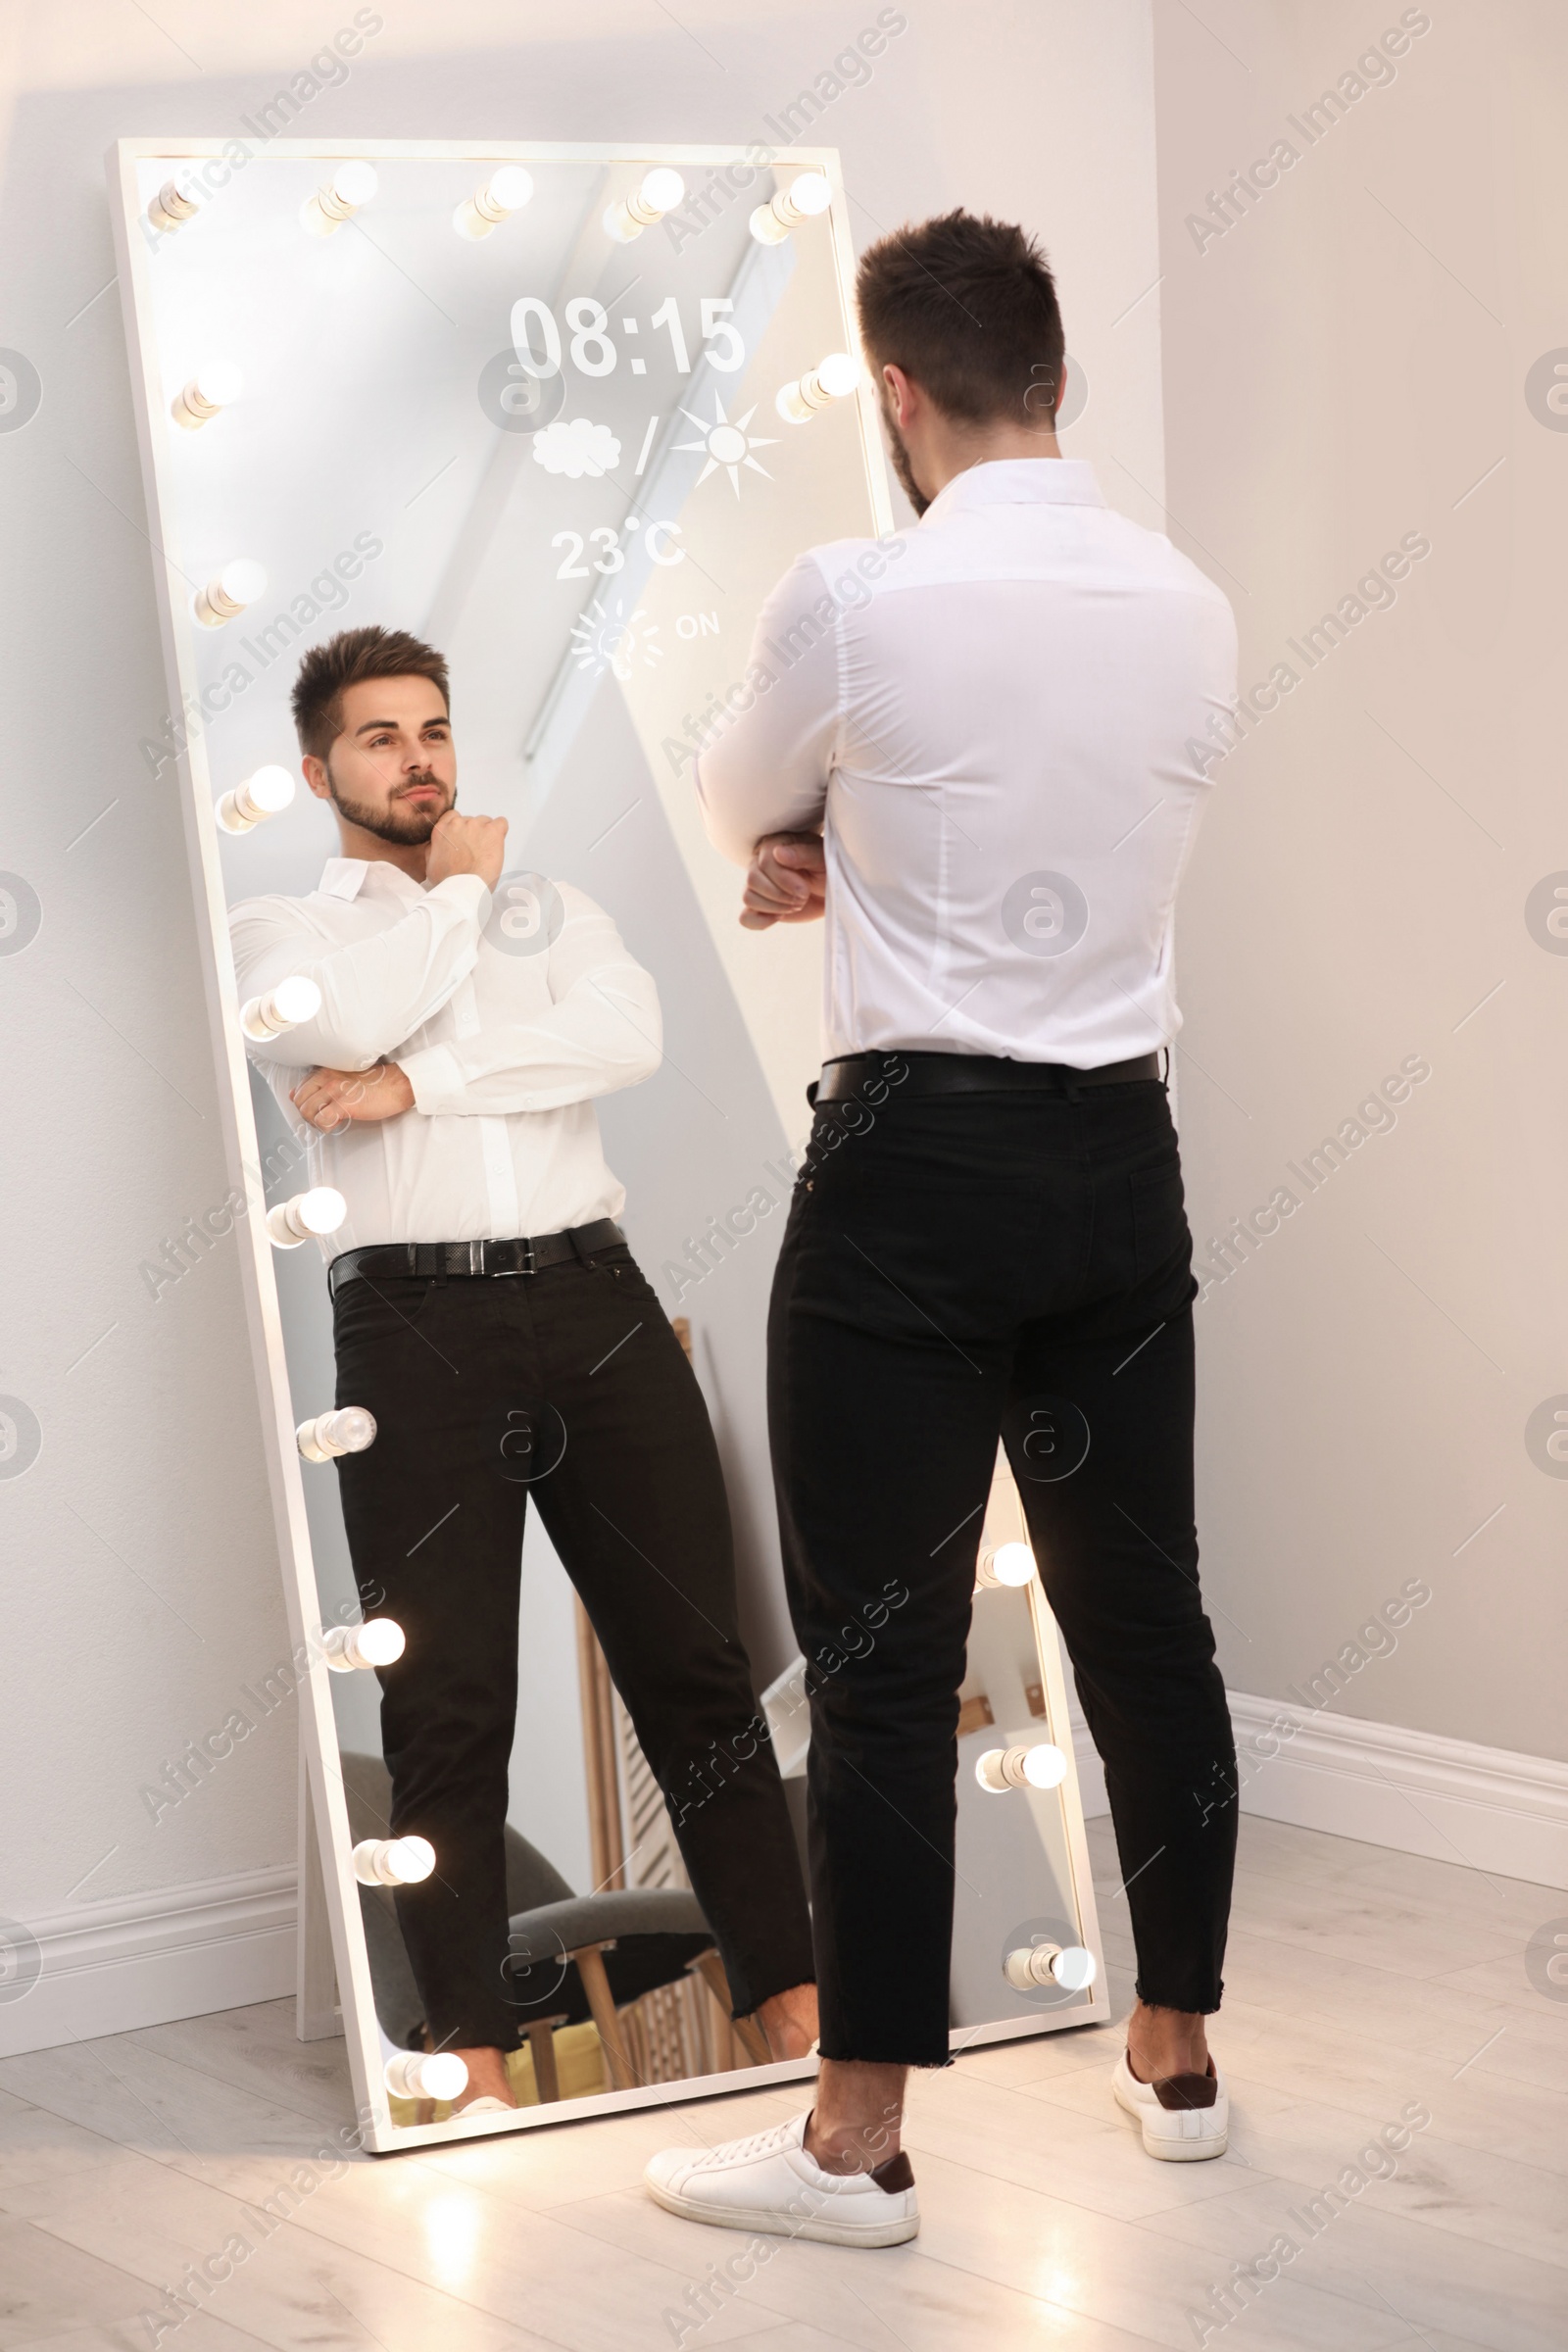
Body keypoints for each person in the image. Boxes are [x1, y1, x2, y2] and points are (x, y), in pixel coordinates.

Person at [643, 210, 1239, 2245]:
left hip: (911, 1169)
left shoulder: (857, 594)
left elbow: (736, 798)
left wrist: (822, 837)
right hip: (1118, 1161)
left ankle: (853, 2144)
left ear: (894, 390)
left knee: (886, 1660)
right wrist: (869, 839)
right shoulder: (1185, 602)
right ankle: (1170, 2059)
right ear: (1051, 372)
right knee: (1143, 1626)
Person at [229, 624, 816, 2113]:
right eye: (380, 737)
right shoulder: (279, 940)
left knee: (696, 1669)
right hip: (412, 1335)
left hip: (597, 1306)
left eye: (432, 728)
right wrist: (462, 902)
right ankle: (474, 2080)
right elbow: (347, 1020)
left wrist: (421, 1082)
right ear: (319, 770)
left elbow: (624, 1037)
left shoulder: (556, 911)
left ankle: (799, 2022)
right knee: (448, 1704)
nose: (419, 755)